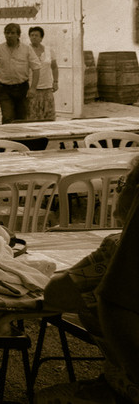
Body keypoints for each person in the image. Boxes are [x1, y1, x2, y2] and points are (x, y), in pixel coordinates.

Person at [39, 156, 139, 402]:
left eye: (122, 185)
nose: (118, 193)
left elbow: (56, 293)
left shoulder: (118, 249)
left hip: (128, 386)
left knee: (44, 398)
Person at [0, 22, 40, 123]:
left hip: (22, 88)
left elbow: (36, 68)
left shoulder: (27, 49)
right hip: (4, 88)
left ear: (18, 35)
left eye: (12, 33)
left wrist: (32, 88)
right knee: (7, 116)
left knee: (21, 118)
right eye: (7, 33)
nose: (9, 35)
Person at [27, 25, 59, 121]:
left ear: (41, 38)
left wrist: (56, 81)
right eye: (32, 35)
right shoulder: (26, 50)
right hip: (32, 88)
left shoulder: (49, 50)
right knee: (32, 115)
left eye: (36, 35)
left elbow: (54, 67)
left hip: (47, 88)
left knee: (48, 115)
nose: (34, 37)